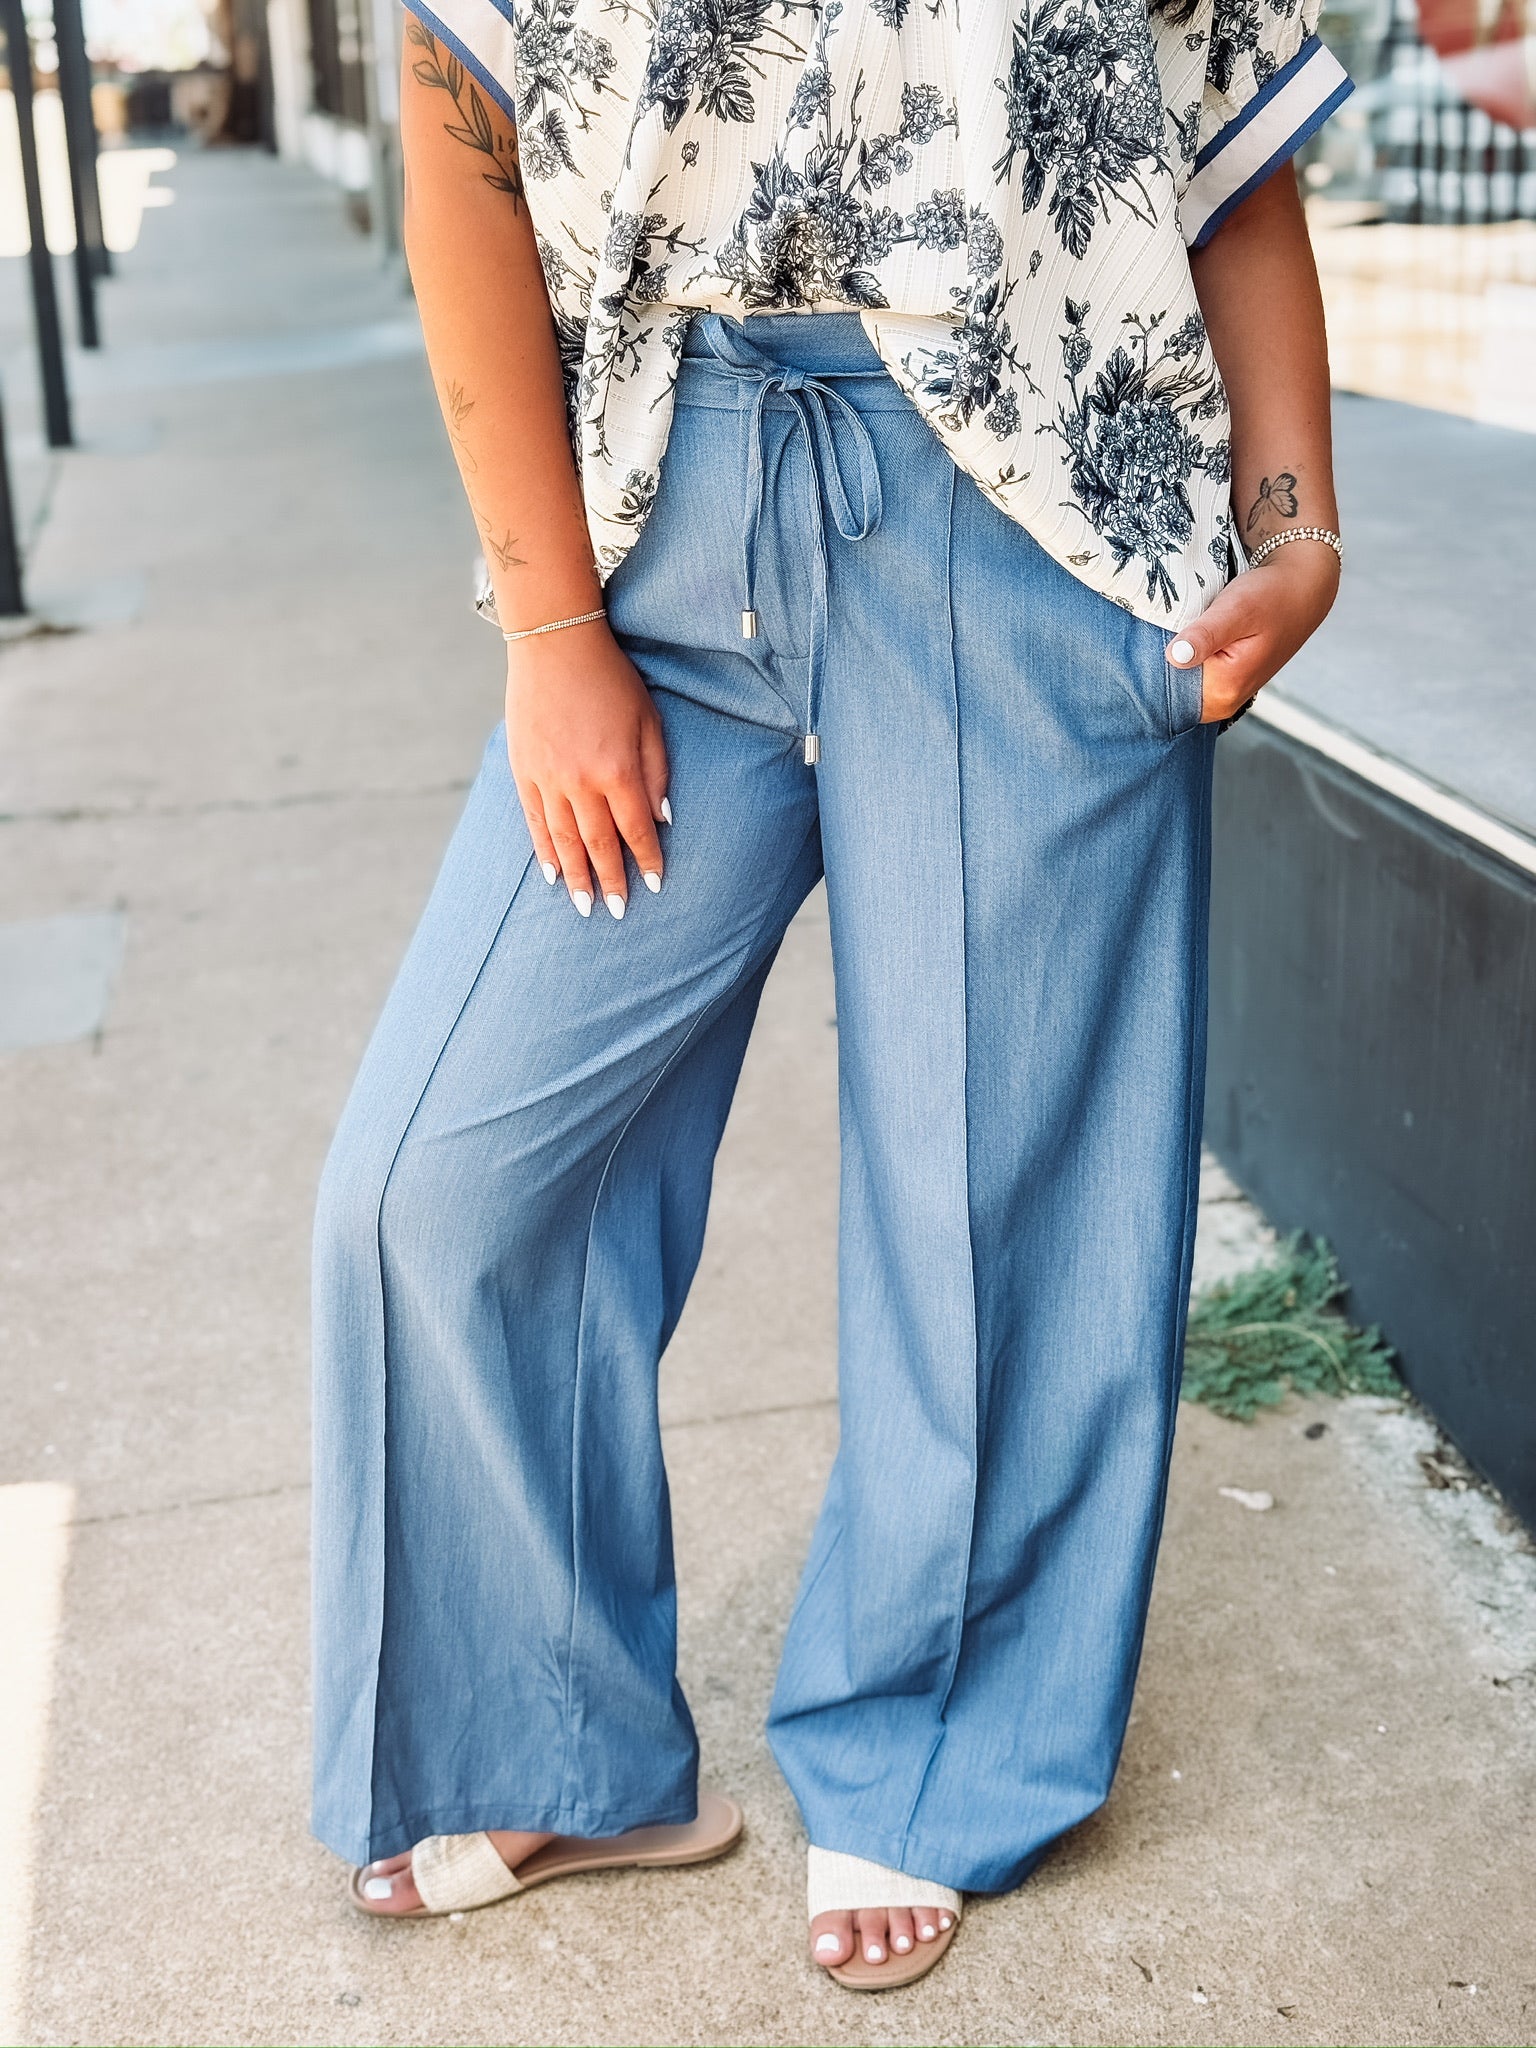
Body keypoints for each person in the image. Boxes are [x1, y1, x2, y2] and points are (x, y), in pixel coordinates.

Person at [310, 0, 1348, 1991]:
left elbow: (1230, 146)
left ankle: (937, 1734)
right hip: (663, 521)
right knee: (437, 1182)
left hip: (1032, 509)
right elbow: (459, 136)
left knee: (993, 1203)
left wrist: (1296, 534)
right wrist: (548, 624)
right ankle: (552, 1735)